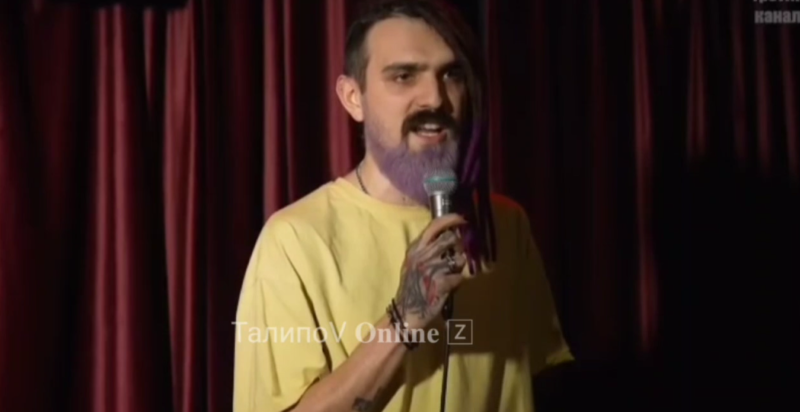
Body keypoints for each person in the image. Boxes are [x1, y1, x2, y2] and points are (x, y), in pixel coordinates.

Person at [233, 0, 573, 411]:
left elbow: (546, 382)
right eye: (404, 76)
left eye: (452, 74)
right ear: (353, 98)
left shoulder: (504, 224)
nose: (435, 98)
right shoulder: (294, 241)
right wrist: (404, 320)